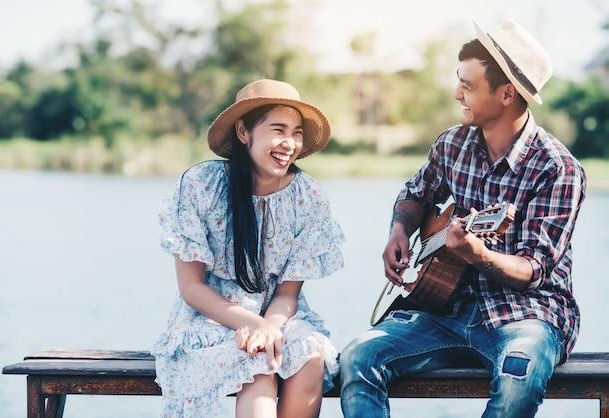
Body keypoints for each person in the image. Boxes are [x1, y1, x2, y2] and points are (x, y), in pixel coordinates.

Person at [340, 19, 586, 418]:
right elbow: (414, 195)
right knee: (357, 357)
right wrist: (399, 231)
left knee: (517, 374)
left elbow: (534, 270)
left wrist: (478, 254)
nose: (457, 93)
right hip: (444, 309)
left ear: (507, 94)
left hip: (527, 313)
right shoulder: (452, 143)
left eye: (468, 86)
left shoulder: (558, 168)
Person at [151, 79, 345, 418]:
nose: (290, 143)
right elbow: (192, 288)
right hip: (211, 316)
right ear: (244, 132)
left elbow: (288, 293)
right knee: (259, 367)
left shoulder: (307, 197)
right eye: (278, 129)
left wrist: (268, 326)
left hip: (279, 314)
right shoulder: (201, 185)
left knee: (310, 357)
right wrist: (251, 325)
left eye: (297, 132)